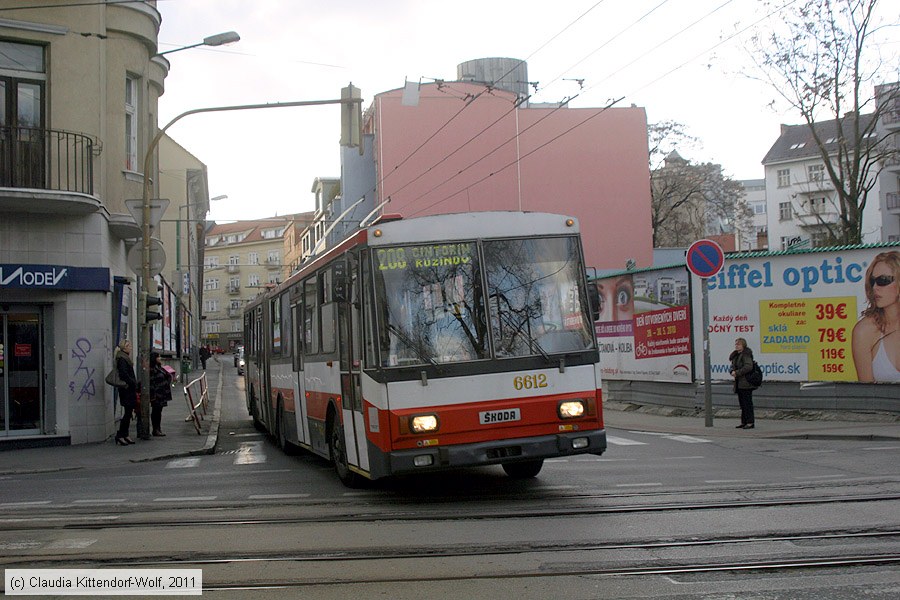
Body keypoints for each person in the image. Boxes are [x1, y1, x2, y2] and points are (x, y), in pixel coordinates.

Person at [852, 251, 900, 382]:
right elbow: (867, 397)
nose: (875, 287)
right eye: (873, 281)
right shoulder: (864, 331)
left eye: (883, 280)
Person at [114, 340, 138, 445]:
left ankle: (125, 434)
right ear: (124, 348)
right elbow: (124, 374)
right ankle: (121, 435)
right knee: (127, 413)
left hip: (128, 389)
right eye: (129, 346)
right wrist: (132, 382)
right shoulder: (122, 359)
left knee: (128, 413)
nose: (131, 347)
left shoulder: (124, 357)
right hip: (126, 389)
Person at [729, 337, 755, 429]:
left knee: (747, 403)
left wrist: (737, 372)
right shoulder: (736, 355)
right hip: (739, 383)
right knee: (742, 403)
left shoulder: (746, 355)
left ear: (743, 345)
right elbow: (732, 366)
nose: (736, 346)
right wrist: (732, 371)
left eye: (738, 344)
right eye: (736, 344)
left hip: (746, 382)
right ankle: (744, 421)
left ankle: (750, 422)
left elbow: (748, 367)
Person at [149, 352, 172, 437]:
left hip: (162, 393)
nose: (160, 358)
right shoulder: (152, 369)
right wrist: (153, 395)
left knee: (159, 411)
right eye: (158, 357)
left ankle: (158, 428)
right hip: (157, 394)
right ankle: (155, 429)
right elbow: (151, 382)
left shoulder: (159, 367)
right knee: (156, 411)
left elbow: (167, 375)